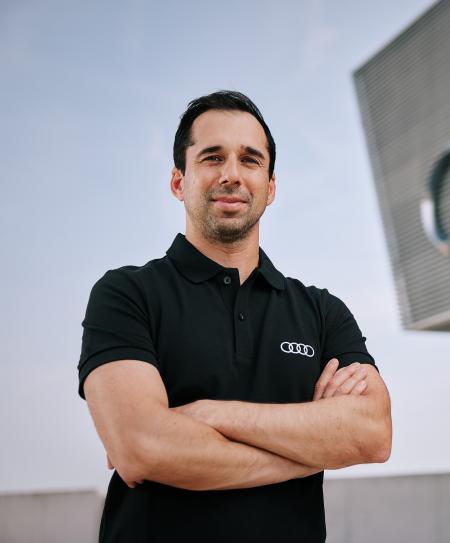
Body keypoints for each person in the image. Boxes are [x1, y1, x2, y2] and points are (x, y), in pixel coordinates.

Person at [77, 90, 392, 542]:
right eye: (212, 157)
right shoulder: (126, 294)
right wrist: (311, 450)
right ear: (178, 182)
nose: (231, 174)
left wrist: (207, 414)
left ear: (271, 186)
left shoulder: (322, 312)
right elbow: (143, 448)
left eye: (249, 159)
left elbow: (372, 434)